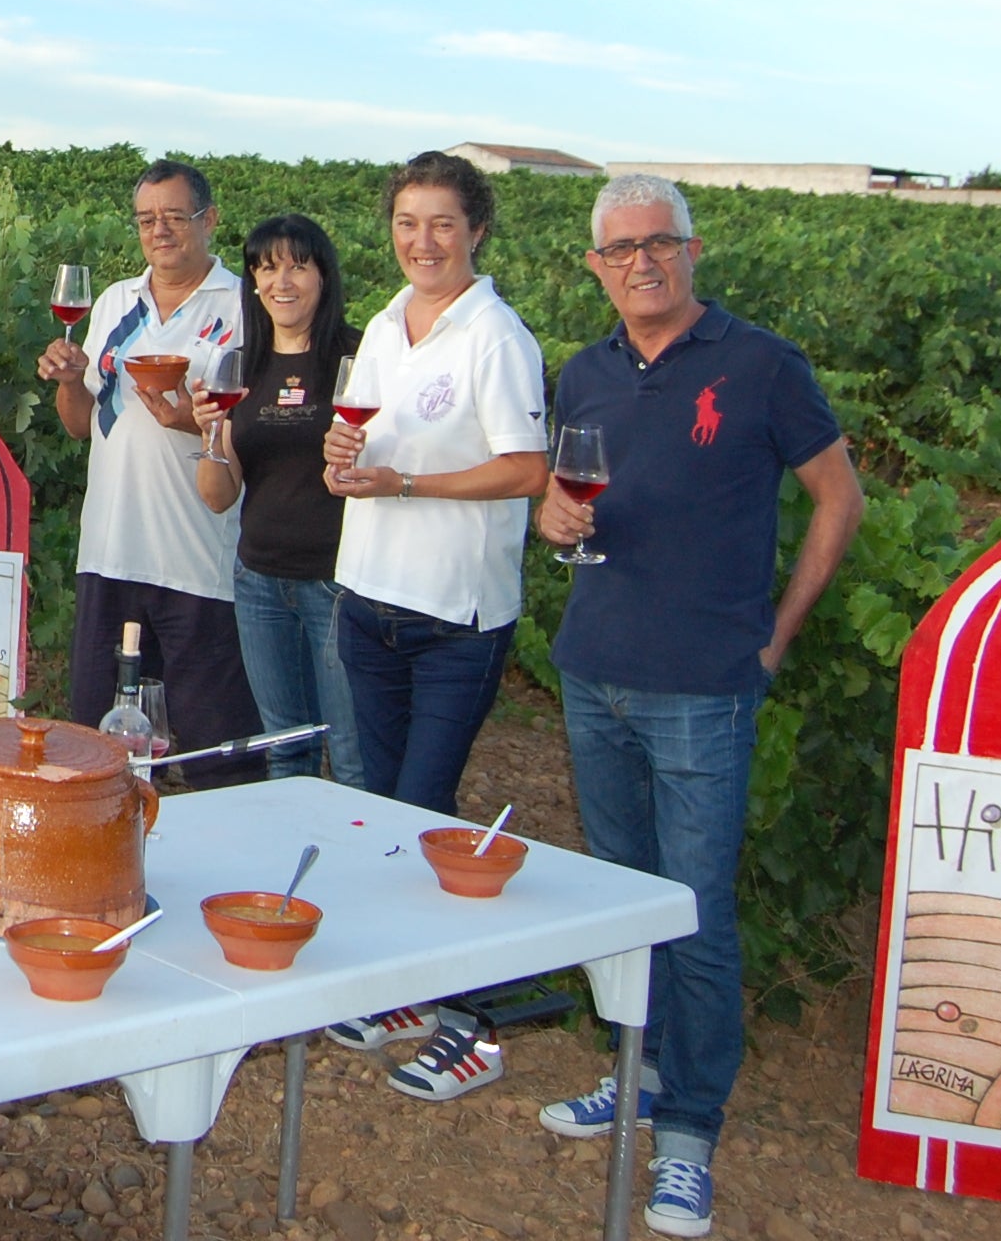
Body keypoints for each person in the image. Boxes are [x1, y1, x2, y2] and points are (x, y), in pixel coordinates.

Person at [526, 175, 864, 1240]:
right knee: (628, 900)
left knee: (697, 913)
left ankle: (686, 1132)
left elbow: (839, 496)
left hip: (705, 686)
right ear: (595, 266)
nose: (641, 262)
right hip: (593, 670)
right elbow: (559, 499)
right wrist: (548, 515)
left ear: (692, 250)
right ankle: (637, 1072)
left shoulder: (761, 363)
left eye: (659, 242)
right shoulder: (584, 371)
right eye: (620, 248)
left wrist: (776, 634)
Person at [318, 149, 548, 1099]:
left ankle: (464, 1014)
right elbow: (363, 446)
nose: (423, 241)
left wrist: (406, 483)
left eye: (442, 223)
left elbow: (527, 468)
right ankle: (403, 992)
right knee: (382, 803)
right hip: (368, 594)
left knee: (426, 811)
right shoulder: (383, 325)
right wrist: (342, 456)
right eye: (408, 223)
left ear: (476, 231)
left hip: (456, 613)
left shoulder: (496, 336)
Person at [35, 159, 262, 783]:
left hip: (199, 562)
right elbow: (81, 424)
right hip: (111, 552)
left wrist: (192, 421)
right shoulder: (116, 301)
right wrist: (68, 381)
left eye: (174, 217)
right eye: (145, 219)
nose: (159, 230)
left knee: (217, 756)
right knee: (101, 754)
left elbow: (257, 429)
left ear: (209, 220)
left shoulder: (245, 306)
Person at [192, 213, 363, 789]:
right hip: (260, 582)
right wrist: (211, 435)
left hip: (337, 583)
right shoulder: (241, 365)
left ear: (323, 276)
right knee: (284, 747)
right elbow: (218, 496)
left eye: (297, 267)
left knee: (352, 750)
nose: (281, 283)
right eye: (266, 269)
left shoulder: (356, 358)